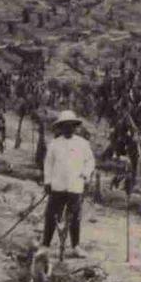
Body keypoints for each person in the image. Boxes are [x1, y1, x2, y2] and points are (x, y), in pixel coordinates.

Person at [41, 109, 96, 256]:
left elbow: (90, 161)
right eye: (64, 126)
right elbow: (48, 164)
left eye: (70, 125)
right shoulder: (54, 144)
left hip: (74, 186)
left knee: (74, 217)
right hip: (57, 185)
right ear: (60, 127)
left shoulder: (83, 143)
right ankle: (45, 245)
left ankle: (75, 246)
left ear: (74, 126)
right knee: (52, 215)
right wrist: (47, 181)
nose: (67, 128)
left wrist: (85, 174)